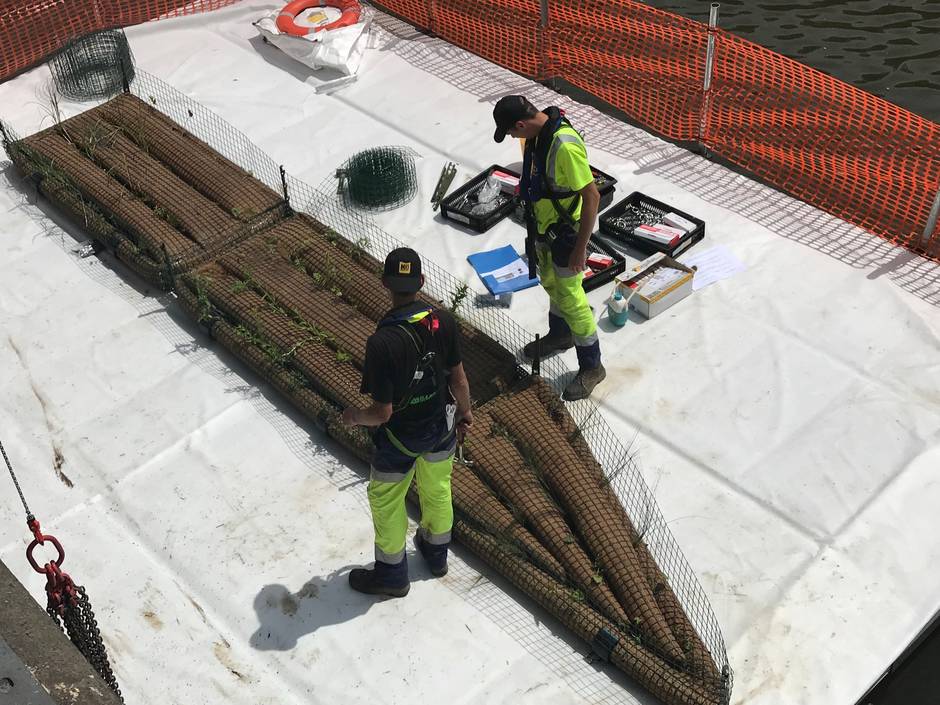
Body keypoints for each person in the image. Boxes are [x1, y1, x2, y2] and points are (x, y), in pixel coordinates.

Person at [342, 247, 472, 598]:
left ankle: (391, 574)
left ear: (385, 282)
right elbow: (457, 379)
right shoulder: (442, 321)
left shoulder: (382, 342)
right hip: (440, 429)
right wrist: (464, 414)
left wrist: (355, 416)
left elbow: (381, 413)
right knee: (437, 489)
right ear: (422, 282)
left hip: (399, 441)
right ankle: (435, 552)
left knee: (386, 500)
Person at [492, 95, 606, 401]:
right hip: (543, 229)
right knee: (551, 283)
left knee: (573, 298)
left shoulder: (564, 145)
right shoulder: (536, 137)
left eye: (512, 133)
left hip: (567, 235)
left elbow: (592, 196)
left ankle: (592, 366)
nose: (514, 139)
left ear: (520, 124)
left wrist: (580, 248)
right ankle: (560, 334)